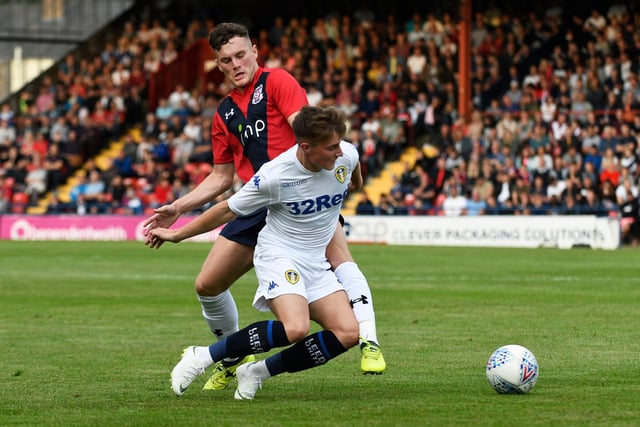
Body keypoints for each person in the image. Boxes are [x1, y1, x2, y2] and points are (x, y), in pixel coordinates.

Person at [142, 22, 385, 389]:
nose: (236, 63)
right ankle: (233, 356)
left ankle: (369, 340)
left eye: (241, 54)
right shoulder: (224, 113)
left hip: (299, 197)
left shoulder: (278, 83)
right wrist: (179, 206)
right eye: (227, 60)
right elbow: (221, 177)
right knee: (207, 285)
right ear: (218, 66)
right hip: (258, 201)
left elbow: (308, 133)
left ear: (254, 50)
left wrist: (326, 174)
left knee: (341, 260)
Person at [147, 106, 362, 400]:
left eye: (340, 144)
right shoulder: (275, 175)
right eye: (332, 147)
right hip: (279, 254)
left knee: (349, 333)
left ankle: (257, 372)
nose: (340, 152)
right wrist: (177, 234)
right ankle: (204, 355)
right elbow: (227, 209)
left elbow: (353, 175)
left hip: (315, 260)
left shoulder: (346, 155)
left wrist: (350, 180)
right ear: (306, 147)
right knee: (296, 328)